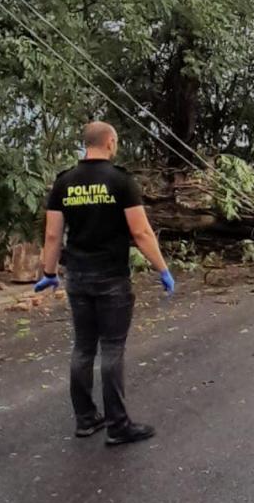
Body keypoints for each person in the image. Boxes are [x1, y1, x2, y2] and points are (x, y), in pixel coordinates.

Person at [34, 121, 174, 445]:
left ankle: (85, 420)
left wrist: (49, 273)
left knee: (83, 346)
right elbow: (140, 233)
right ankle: (118, 426)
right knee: (112, 349)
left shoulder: (64, 182)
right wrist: (162, 269)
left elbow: (53, 234)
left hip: (78, 277)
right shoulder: (120, 181)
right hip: (111, 277)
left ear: (86, 144)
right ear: (110, 142)